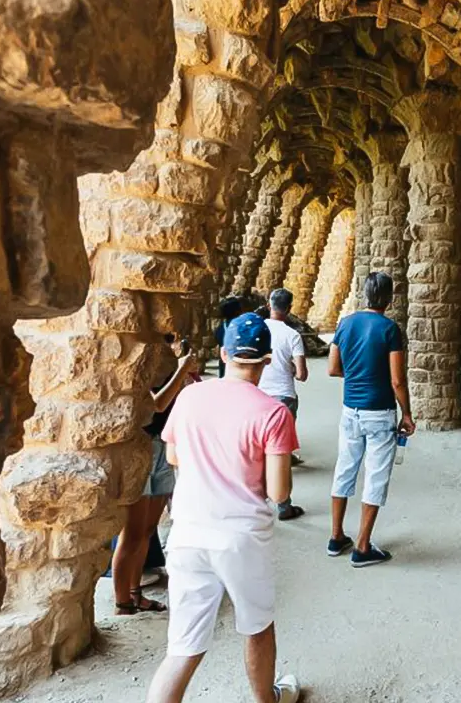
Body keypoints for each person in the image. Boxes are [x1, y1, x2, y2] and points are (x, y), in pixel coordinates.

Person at [146, 313, 301, 703]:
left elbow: (175, 455)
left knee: (183, 647)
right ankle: (268, 699)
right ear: (266, 360)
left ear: (223, 353)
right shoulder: (273, 413)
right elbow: (279, 492)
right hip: (241, 537)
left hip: (188, 532)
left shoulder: (190, 396)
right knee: (256, 627)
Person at [326, 271, 414, 567]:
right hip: (379, 412)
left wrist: (357, 375)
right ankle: (363, 546)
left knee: (345, 469)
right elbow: (397, 380)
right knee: (375, 476)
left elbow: (333, 368)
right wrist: (408, 414)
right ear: (389, 298)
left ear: (365, 293)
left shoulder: (345, 324)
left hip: (350, 409)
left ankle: (336, 536)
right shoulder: (390, 329)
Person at [112, 334, 196, 615]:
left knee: (147, 530)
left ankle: (136, 593)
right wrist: (183, 369)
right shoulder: (139, 361)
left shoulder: (166, 362)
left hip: (162, 445)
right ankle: (123, 600)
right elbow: (155, 405)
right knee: (132, 533)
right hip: (142, 446)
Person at [258, 288, 308, 520]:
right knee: (281, 452)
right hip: (283, 397)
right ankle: (284, 506)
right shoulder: (293, 336)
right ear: (289, 309)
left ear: (269, 305)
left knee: (256, 450)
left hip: (258, 395)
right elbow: (302, 374)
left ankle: (255, 503)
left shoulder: (258, 330)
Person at [213, 296, 243, 379]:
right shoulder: (242, 327)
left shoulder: (221, 328)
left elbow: (217, 340)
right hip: (240, 363)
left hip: (224, 363)